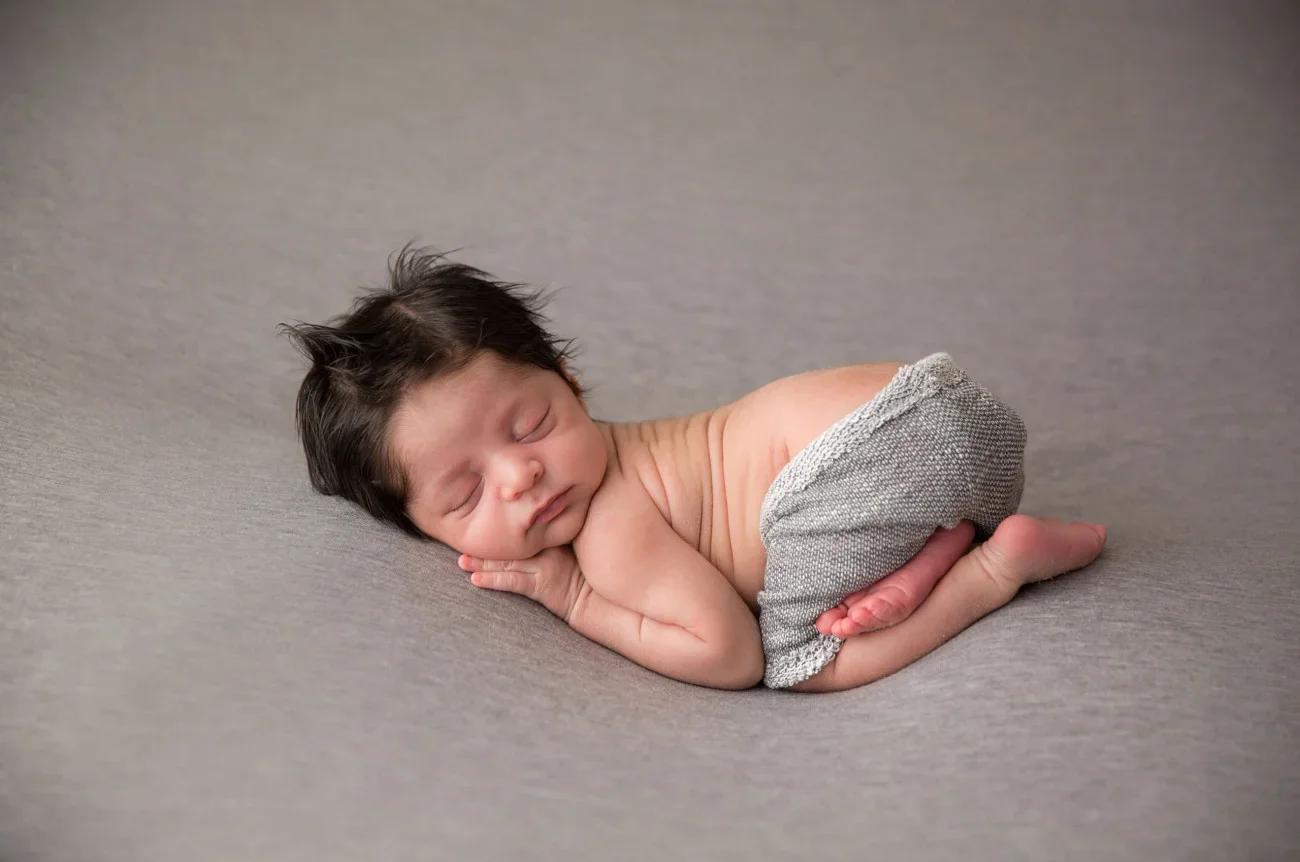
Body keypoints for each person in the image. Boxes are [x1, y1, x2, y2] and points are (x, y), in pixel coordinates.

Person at [281, 246, 1106, 692]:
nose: (521, 475)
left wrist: (574, 598)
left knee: (802, 664)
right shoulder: (652, 445)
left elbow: (729, 653)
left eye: (531, 425)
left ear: (569, 380)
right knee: (853, 524)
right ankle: (938, 545)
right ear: (421, 527)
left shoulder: (610, 531)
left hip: (860, 462)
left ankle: (994, 567)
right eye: (467, 493)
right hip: (959, 418)